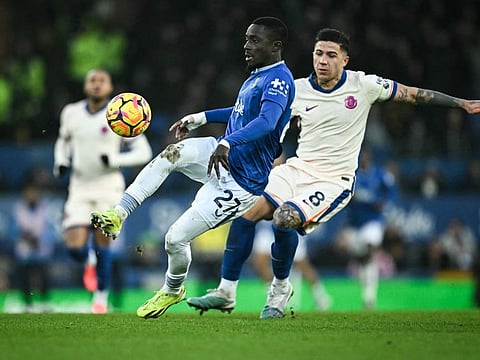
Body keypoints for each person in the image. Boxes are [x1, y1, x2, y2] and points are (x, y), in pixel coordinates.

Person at [186, 28, 480, 319]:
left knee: (283, 219)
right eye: (318, 54)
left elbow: (413, 94)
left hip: (333, 180)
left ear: (345, 60)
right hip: (298, 168)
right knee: (247, 211)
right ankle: (226, 291)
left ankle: (279, 289)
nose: (322, 61)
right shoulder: (295, 89)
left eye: (330, 55)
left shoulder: (364, 85)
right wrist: (202, 118)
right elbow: (244, 111)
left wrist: (461, 103)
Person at [91, 17, 295, 319]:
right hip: (222, 154)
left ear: (276, 46)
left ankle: (172, 290)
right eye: (247, 39)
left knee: (174, 239)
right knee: (171, 153)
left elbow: (266, 122)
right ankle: (119, 213)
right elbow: (240, 110)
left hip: (241, 182)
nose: (246, 45)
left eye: (255, 40)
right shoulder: (257, 75)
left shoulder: (278, 80)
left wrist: (229, 143)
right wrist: (202, 117)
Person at [53, 69, 152, 314]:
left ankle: (100, 298)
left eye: (102, 81)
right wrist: (60, 161)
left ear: (110, 88)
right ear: (85, 86)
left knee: (102, 244)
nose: (96, 85)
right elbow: (63, 141)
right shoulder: (71, 113)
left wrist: (115, 158)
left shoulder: (120, 114)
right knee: (74, 247)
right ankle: (88, 261)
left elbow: (144, 152)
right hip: (79, 186)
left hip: (109, 186)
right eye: (92, 81)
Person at [334, 148, 398, 310]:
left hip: (372, 220)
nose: (364, 159)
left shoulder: (380, 174)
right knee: (360, 258)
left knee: (370, 250)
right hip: (354, 223)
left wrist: (384, 203)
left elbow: (392, 191)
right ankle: (366, 293)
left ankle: (369, 298)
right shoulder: (351, 174)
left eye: (366, 157)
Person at [252, 220, 332, 310]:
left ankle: (321, 296)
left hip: (289, 225)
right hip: (268, 227)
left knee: (301, 265)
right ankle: (276, 296)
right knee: (259, 262)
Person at [11, 183, 55, 312]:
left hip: (41, 249)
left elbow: (50, 229)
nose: (31, 196)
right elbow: (12, 230)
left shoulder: (45, 209)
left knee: (43, 277)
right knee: (25, 277)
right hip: (24, 249)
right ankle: (27, 303)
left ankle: (45, 302)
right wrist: (25, 236)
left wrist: (41, 240)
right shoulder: (19, 209)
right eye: (28, 193)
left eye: (33, 193)